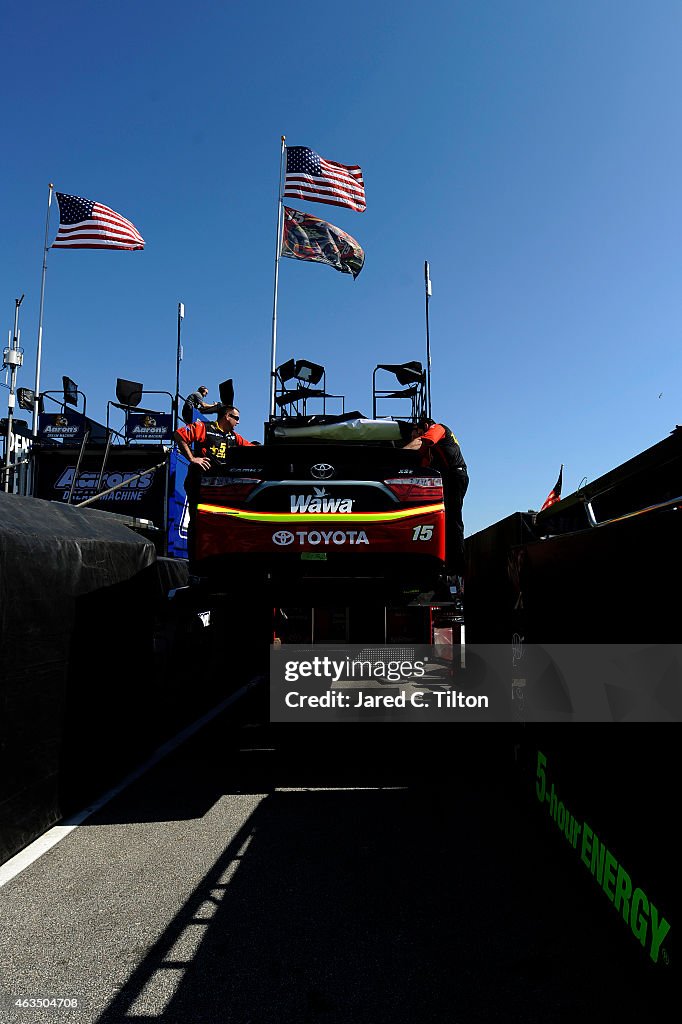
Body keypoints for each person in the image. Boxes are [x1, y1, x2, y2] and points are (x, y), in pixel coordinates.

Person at [173, 404, 254, 562]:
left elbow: (251, 449)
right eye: (236, 418)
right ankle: (195, 562)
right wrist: (192, 459)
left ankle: (219, 558)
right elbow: (179, 434)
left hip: (221, 487)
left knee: (223, 523)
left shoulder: (234, 437)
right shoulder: (204, 428)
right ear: (227, 416)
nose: (238, 422)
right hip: (199, 483)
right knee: (198, 522)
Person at [403, 416, 469, 577]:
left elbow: (421, 443)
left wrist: (396, 455)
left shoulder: (438, 428)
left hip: (455, 475)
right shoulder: (432, 451)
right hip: (447, 478)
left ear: (425, 426)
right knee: (442, 520)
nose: (416, 437)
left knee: (453, 519)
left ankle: (457, 566)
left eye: (417, 433)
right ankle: (444, 560)